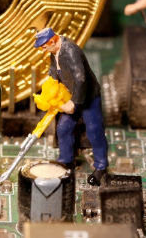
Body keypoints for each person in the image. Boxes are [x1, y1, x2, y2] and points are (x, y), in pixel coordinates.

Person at [34, 27, 108, 186]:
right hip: (70, 96)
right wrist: (51, 86)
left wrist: (74, 103)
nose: (43, 50)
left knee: (94, 131)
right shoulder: (54, 51)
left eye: (44, 46)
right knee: (63, 128)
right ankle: (66, 160)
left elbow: (80, 79)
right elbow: (54, 70)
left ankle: (101, 166)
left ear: (52, 41)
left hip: (87, 98)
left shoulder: (70, 51)